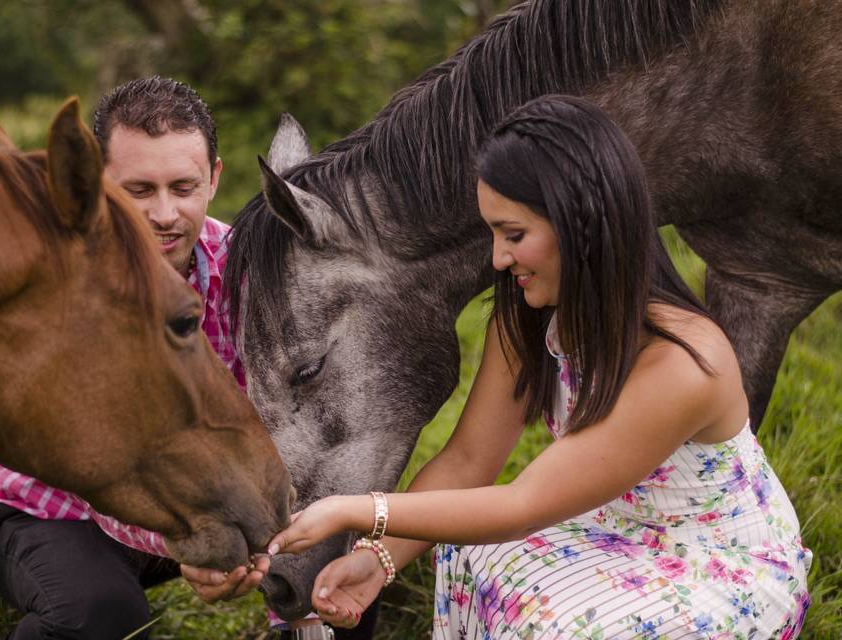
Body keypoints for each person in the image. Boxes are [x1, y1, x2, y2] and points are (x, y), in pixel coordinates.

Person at [265, 95, 812, 639]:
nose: (499, 259)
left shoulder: (684, 361)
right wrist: (378, 561)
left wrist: (349, 511)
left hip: (712, 563)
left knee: (565, 628)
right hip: (614, 526)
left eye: (515, 235)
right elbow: (467, 463)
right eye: (494, 235)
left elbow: (523, 505)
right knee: (469, 551)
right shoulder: (530, 319)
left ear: (582, 222)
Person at [0, 76, 254, 640]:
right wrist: (187, 539)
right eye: (139, 190)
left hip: (183, 492)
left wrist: (262, 534)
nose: (165, 214)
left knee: (328, 556)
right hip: (53, 509)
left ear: (214, 178)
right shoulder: (60, 284)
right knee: (102, 616)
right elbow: (90, 474)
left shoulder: (244, 266)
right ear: (97, 182)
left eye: (183, 187)